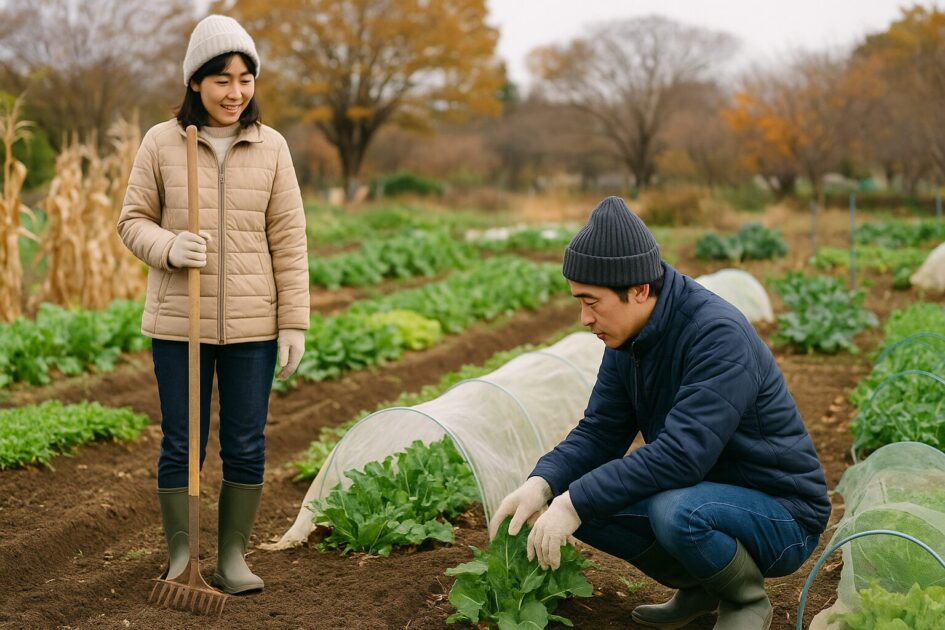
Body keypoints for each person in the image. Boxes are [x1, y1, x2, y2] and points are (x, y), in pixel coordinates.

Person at [489, 196, 830, 630]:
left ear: (639, 290)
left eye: (592, 302)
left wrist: (576, 501)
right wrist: (544, 484)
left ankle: (745, 600)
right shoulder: (629, 338)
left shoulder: (717, 335)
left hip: (782, 514)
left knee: (674, 510)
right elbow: (599, 432)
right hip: (707, 492)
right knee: (578, 494)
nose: (583, 318)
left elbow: (682, 456)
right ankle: (702, 588)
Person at [117, 14, 309, 594]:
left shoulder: (271, 146)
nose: (236, 92)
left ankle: (231, 559)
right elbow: (131, 222)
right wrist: (170, 246)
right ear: (196, 82)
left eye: (245, 78)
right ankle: (183, 561)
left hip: (254, 325)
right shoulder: (161, 142)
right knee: (183, 440)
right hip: (182, 324)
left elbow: (289, 238)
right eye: (222, 79)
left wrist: (294, 320)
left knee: (247, 441)